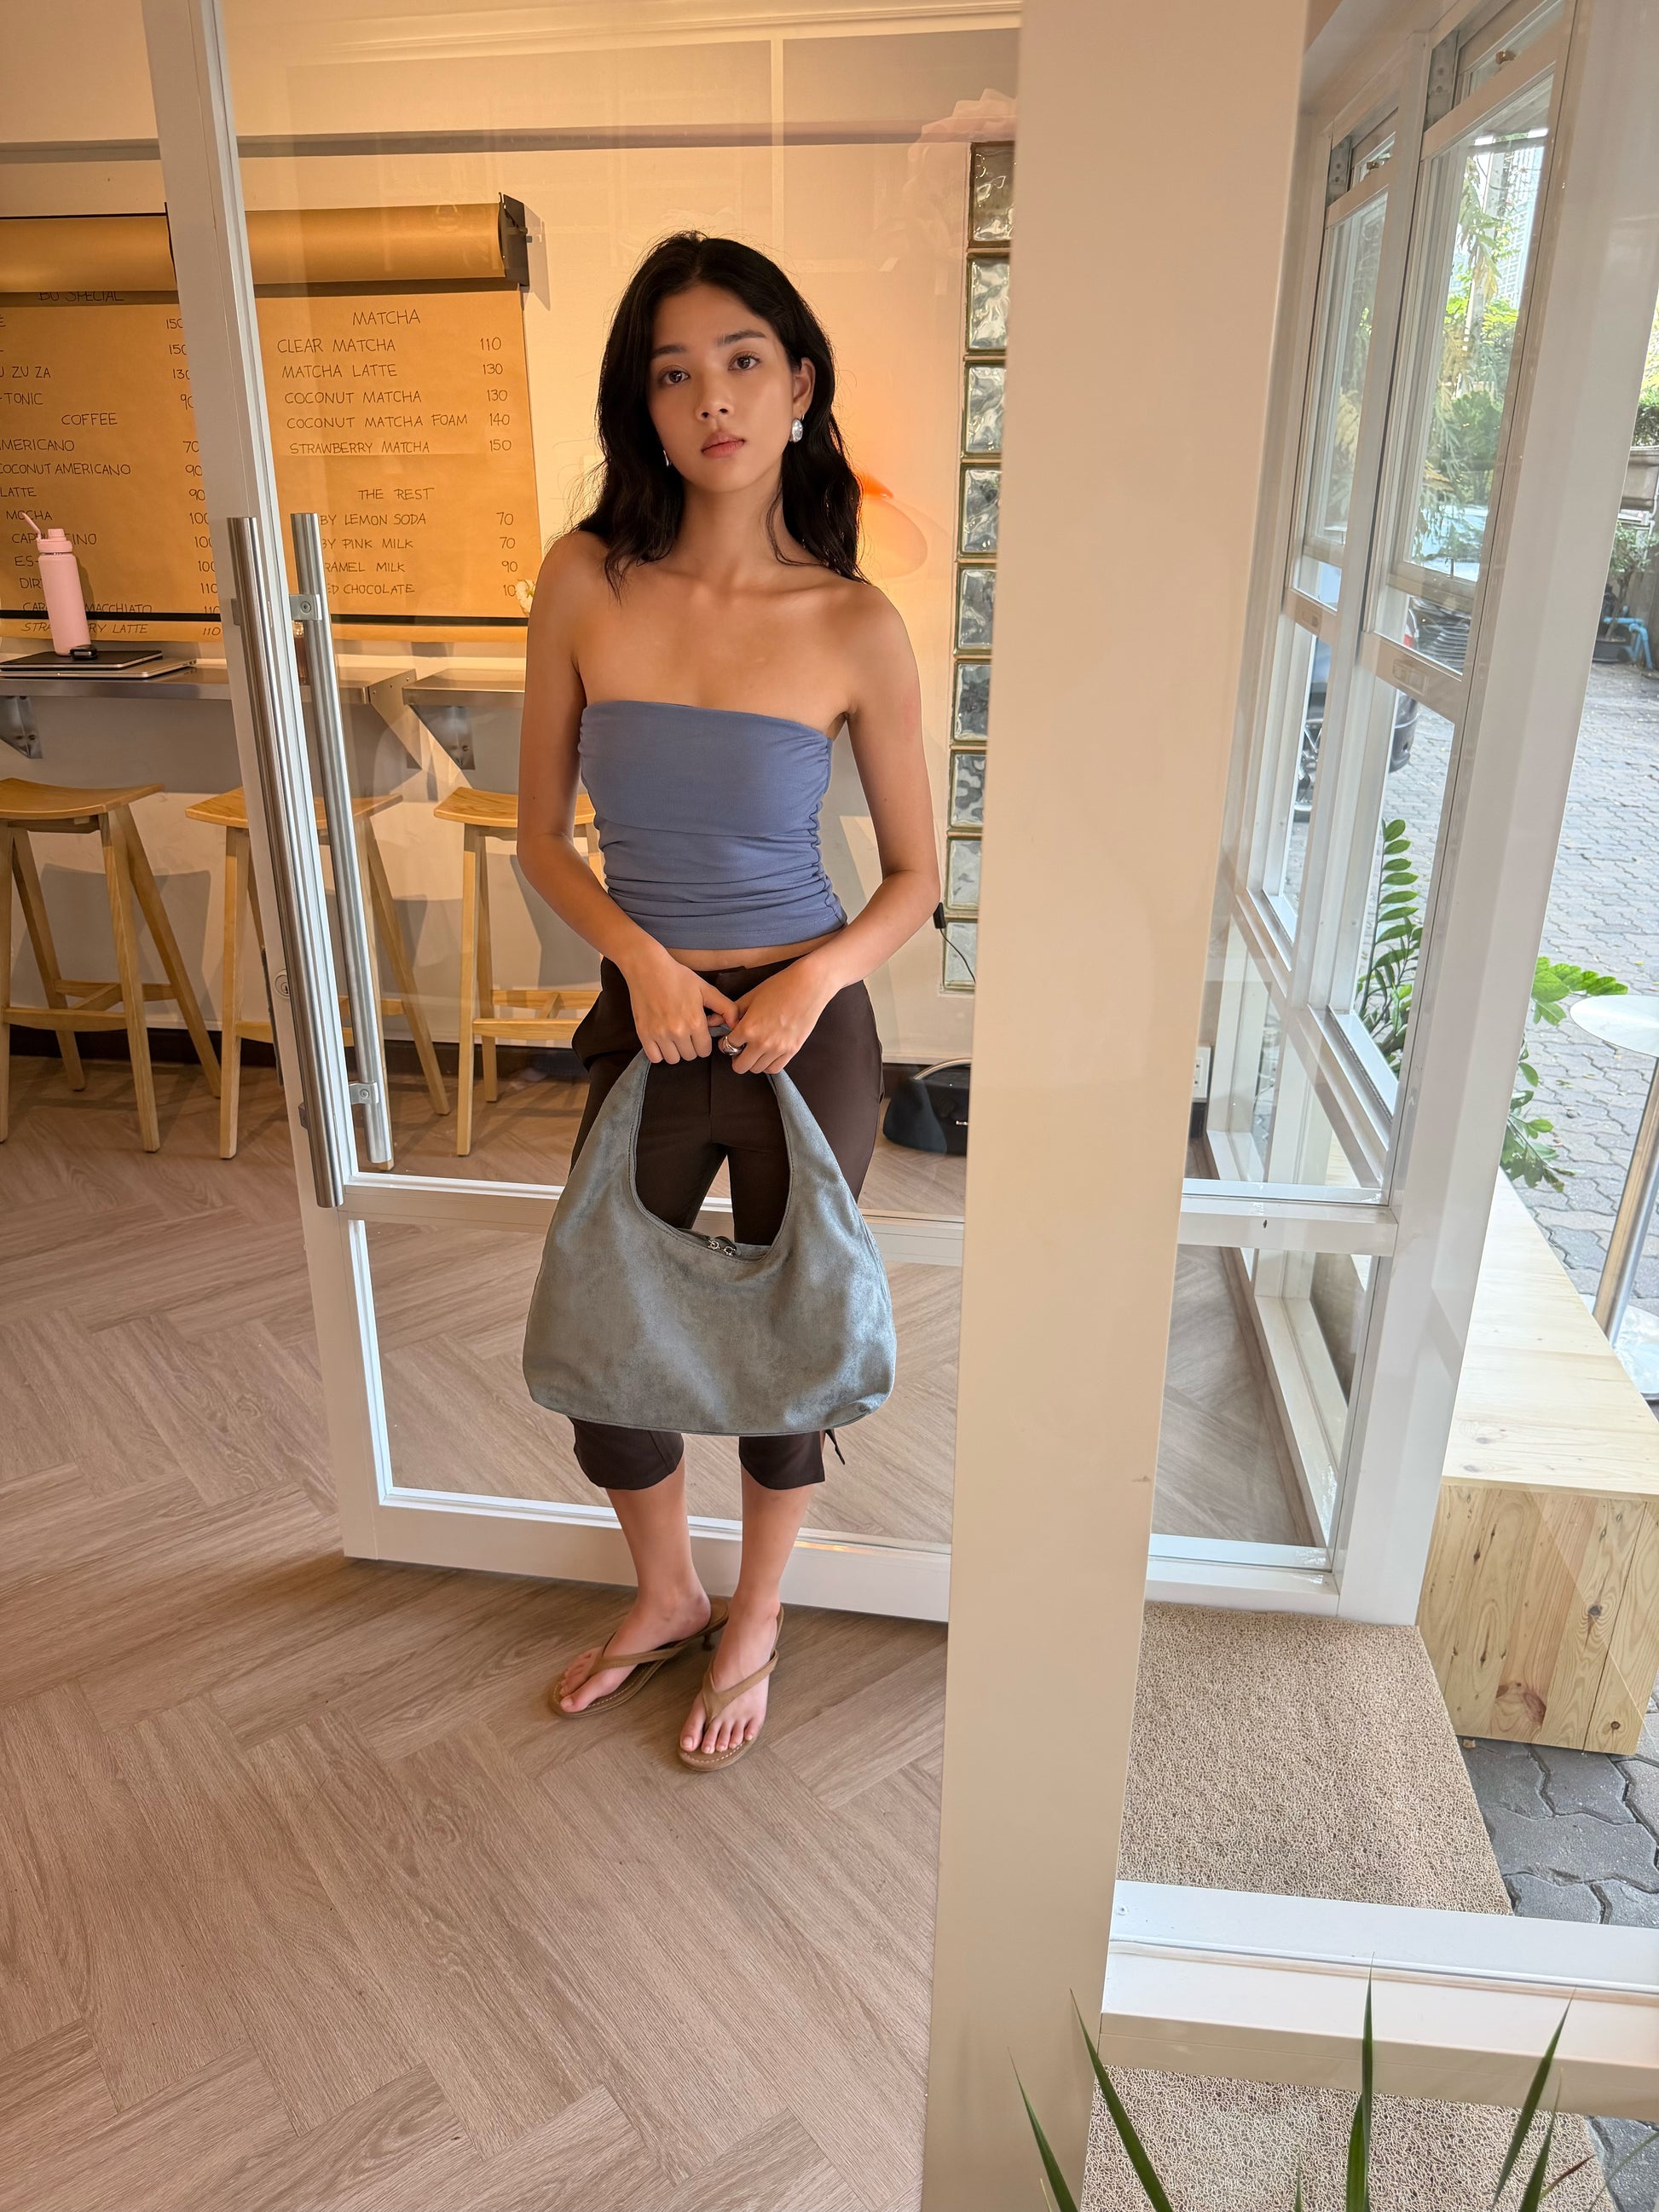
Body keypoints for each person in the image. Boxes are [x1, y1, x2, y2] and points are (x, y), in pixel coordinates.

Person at [516, 232, 938, 1770]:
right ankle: (666, 1593)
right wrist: (638, 958)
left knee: (786, 1336)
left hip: (800, 1028)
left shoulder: (853, 623)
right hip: (649, 1010)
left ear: (798, 384)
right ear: (642, 402)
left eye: (743, 360)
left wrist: (814, 981)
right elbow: (539, 841)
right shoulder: (584, 580)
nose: (712, 398)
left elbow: (914, 877)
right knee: (601, 1330)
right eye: (674, 371)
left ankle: (755, 1613)